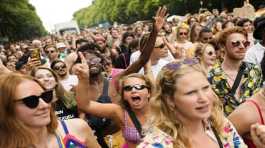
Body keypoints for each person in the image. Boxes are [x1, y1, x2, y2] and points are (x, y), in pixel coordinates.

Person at [75, 7, 168, 148]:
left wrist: (154, 31)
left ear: (102, 61)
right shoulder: (80, 88)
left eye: (94, 59)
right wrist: (83, 79)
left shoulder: (117, 80)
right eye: (86, 62)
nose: (91, 63)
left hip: (122, 138)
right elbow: (84, 107)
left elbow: (143, 59)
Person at [137, 59, 247, 148]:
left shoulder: (220, 125)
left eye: (205, 88)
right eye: (191, 93)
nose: (203, 98)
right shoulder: (156, 145)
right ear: (170, 100)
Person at [0, 73, 100, 148]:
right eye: (31, 101)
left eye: (46, 96)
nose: (44, 105)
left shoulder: (77, 127)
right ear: (7, 108)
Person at [208, 27, 262, 115]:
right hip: (223, 126)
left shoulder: (255, 70)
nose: (242, 46)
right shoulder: (211, 76)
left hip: (253, 126)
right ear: (222, 46)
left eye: (245, 43)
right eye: (236, 43)